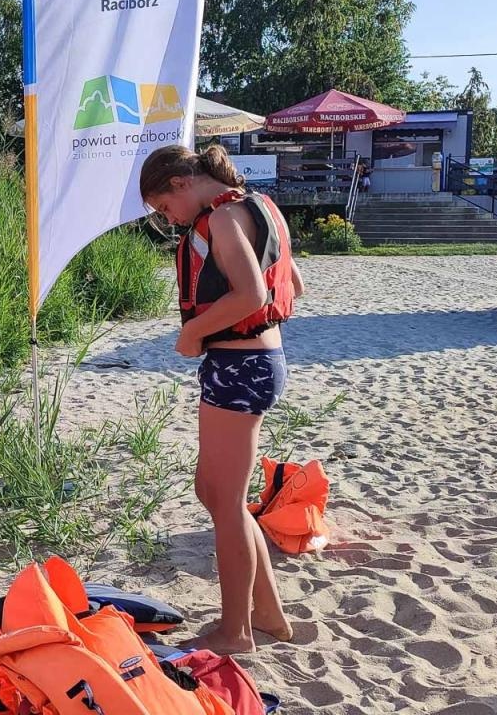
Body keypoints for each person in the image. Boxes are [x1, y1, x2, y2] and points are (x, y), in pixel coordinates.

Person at [140, 144, 305, 655]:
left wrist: (194, 334)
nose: (170, 221)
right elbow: (292, 285)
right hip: (252, 362)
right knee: (211, 491)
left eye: (165, 209)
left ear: (181, 184)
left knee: (227, 503)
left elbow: (254, 295)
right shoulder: (260, 208)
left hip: (241, 366)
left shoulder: (224, 218)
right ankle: (270, 612)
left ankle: (236, 631)